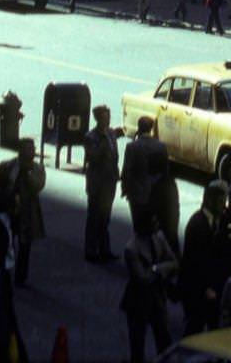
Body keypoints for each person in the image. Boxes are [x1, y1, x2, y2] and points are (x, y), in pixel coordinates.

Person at [181, 178, 231, 333]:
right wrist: (205, 288)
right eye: (221, 201)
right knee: (195, 327)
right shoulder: (198, 224)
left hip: (214, 287)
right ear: (210, 201)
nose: (224, 205)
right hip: (199, 289)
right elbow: (195, 262)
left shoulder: (220, 221)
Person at [121, 213, 178, 363]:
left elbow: (173, 261)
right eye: (153, 222)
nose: (157, 224)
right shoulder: (131, 249)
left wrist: (155, 269)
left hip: (157, 296)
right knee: (137, 344)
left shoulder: (158, 237)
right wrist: (162, 269)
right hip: (138, 301)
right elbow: (143, 279)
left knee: (164, 338)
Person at [0, 136, 46, 287]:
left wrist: (28, 173)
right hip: (7, 209)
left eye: (33, 149)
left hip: (27, 212)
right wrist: (2, 195)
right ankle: (3, 270)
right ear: (20, 151)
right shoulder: (7, 166)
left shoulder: (38, 169)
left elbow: (38, 186)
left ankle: (21, 275)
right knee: (5, 241)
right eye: (28, 149)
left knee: (25, 244)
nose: (32, 152)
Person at [84, 104, 121, 263]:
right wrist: (104, 143)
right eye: (105, 116)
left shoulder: (112, 134)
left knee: (105, 217)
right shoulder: (91, 137)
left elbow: (114, 156)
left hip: (110, 181)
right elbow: (93, 157)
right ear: (98, 118)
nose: (108, 118)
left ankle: (104, 249)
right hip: (97, 182)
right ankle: (91, 250)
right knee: (94, 217)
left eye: (109, 115)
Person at [122, 115, 169, 227]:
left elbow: (127, 170)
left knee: (138, 226)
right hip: (155, 193)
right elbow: (165, 171)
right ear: (151, 128)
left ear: (139, 127)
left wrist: (125, 189)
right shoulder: (161, 146)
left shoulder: (132, 147)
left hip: (137, 194)